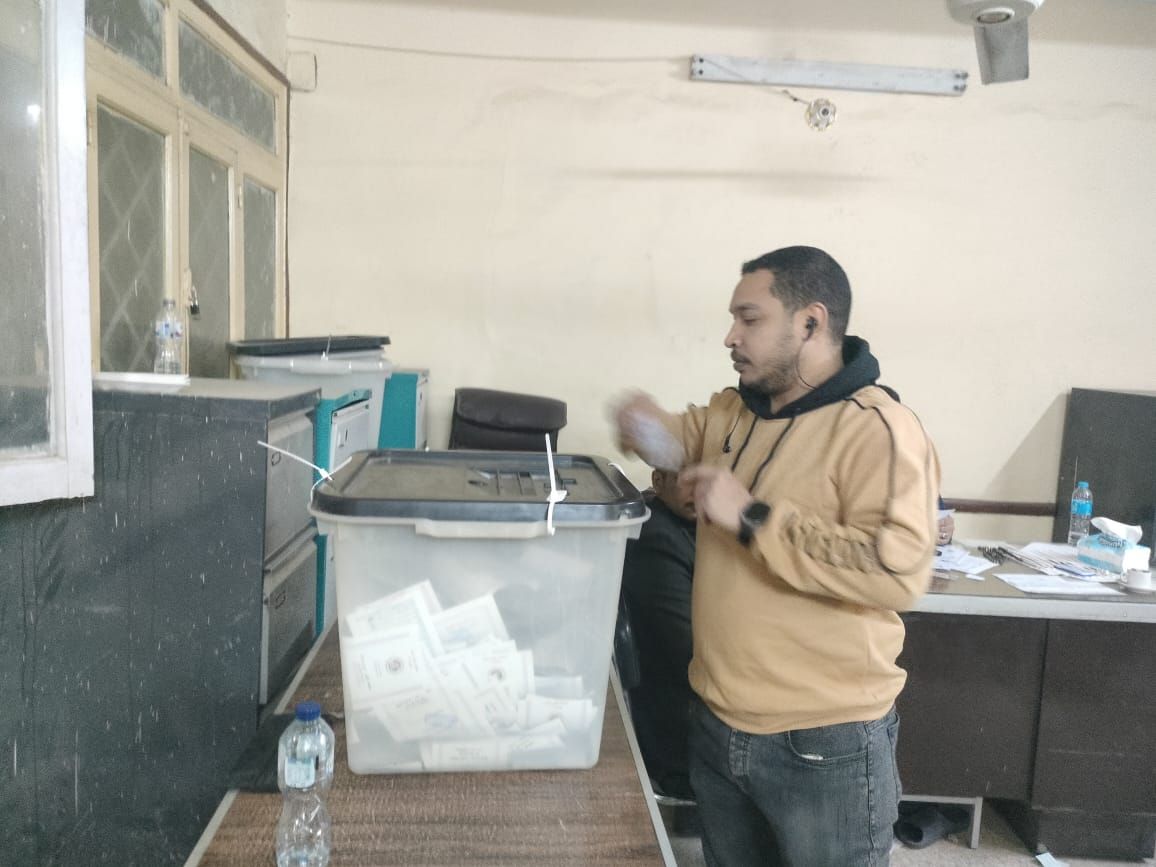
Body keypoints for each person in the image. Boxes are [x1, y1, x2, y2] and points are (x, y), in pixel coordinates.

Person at [613, 245, 940, 867]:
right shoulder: (735, 412)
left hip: (823, 742)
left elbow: (895, 572)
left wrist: (753, 518)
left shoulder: (878, 429)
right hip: (718, 722)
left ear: (810, 322)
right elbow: (678, 443)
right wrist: (644, 426)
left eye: (750, 319)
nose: (730, 336)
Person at [620, 468, 697, 801]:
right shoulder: (657, 538)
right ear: (658, 481)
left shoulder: (701, 528)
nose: (700, 490)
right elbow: (691, 656)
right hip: (685, 737)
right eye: (687, 479)